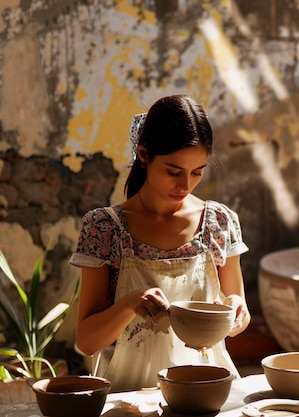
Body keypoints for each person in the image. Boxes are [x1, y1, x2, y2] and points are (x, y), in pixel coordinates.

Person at [69, 95, 250, 392]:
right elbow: (87, 341)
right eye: (173, 171)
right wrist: (130, 304)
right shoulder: (104, 229)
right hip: (131, 395)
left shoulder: (219, 222)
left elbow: (239, 313)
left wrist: (236, 311)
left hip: (208, 388)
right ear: (143, 155)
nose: (185, 186)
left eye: (197, 172)